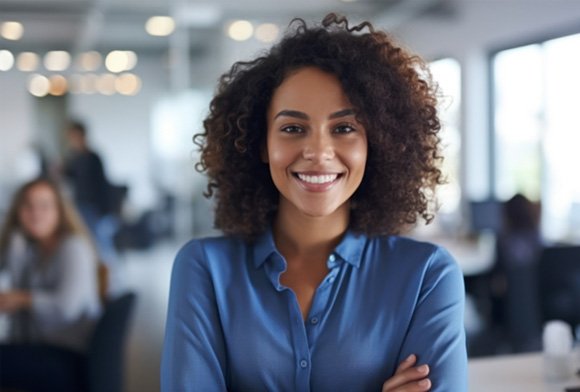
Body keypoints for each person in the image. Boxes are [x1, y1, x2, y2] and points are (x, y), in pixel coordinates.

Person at [162, 13, 467, 391]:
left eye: (344, 128)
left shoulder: (427, 276)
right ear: (261, 143)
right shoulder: (204, 269)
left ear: (377, 143)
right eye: (293, 128)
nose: (319, 152)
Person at [0, 178, 103, 390]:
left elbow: (66, 309)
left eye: (44, 206)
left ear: (60, 210)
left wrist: (21, 299)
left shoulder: (73, 248)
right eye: (27, 206)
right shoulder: (33, 249)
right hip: (41, 349)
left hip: (69, 358)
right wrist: (15, 246)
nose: (35, 213)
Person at [63, 120, 122, 295]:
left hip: (95, 208)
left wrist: (107, 211)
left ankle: (113, 281)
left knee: (102, 244)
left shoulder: (93, 157)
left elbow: (102, 185)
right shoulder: (74, 158)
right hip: (80, 207)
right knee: (87, 244)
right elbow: (71, 176)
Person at [491, 193, 543, 353]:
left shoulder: (503, 241)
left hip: (512, 310)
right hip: (537, 311)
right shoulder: (537, 239)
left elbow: (495, 279)